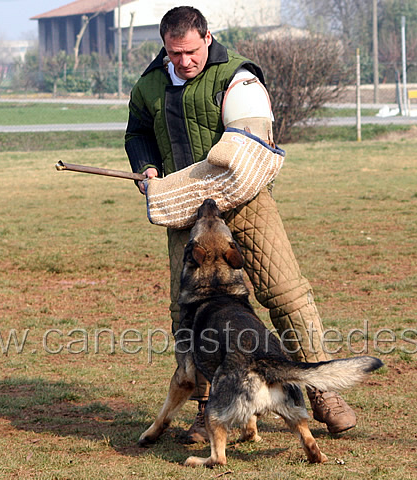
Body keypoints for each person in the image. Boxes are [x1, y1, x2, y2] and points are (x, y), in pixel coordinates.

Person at [125, 6, 357, 442]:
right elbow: (136, 132)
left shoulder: (237, 77)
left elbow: (251, 142)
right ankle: (208, 408)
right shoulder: (150, 85)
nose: (183, 61)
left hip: (246, 201)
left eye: (190, 51)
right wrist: (147, 166)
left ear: (207, 37)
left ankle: (324, 395)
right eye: (173, 54)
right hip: (185, 210)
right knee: (189, 313)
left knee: (285, 294)